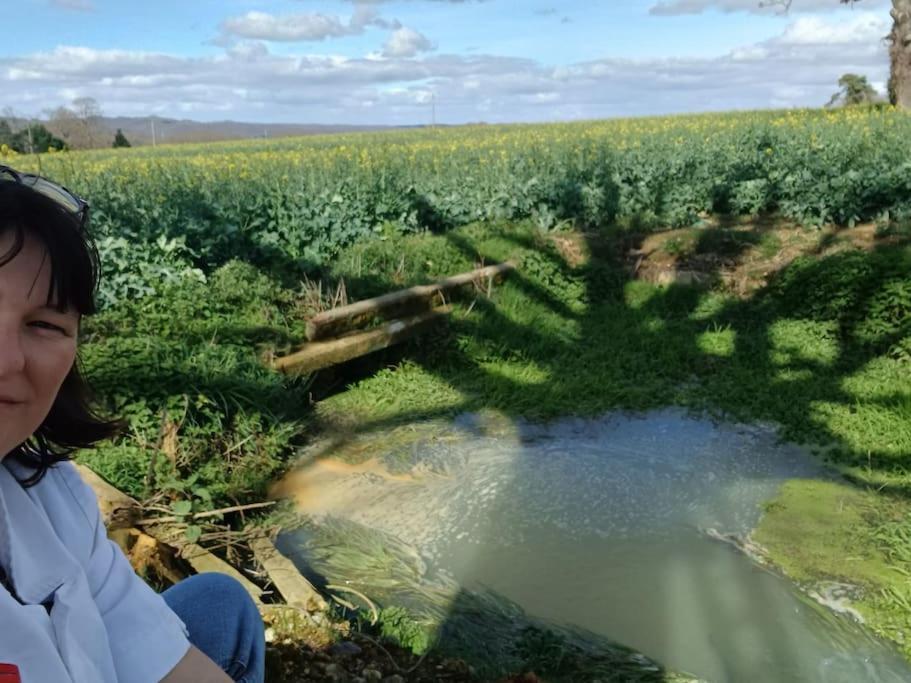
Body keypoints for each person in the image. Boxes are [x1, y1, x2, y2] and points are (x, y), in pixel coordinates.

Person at [0, 165, 266, 683]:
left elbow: (159, 653)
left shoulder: (51, 497)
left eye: (44, 325)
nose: (7, 360)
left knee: (219, 601)